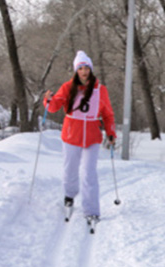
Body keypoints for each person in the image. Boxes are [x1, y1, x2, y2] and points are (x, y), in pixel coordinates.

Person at [43, 50, 116, 223]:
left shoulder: (100, 89)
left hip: (92, 136)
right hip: (71, 135)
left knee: (89, 173)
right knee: (70, 169)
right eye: (81, 68)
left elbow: (108, 114)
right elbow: (54, 107)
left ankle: (91, 210)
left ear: (90, 70)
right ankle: (69, 195)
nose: (84, 72)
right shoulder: (68, 87)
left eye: (87, 68)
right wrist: (48, 101)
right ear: (76, 71)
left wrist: (111, 132)